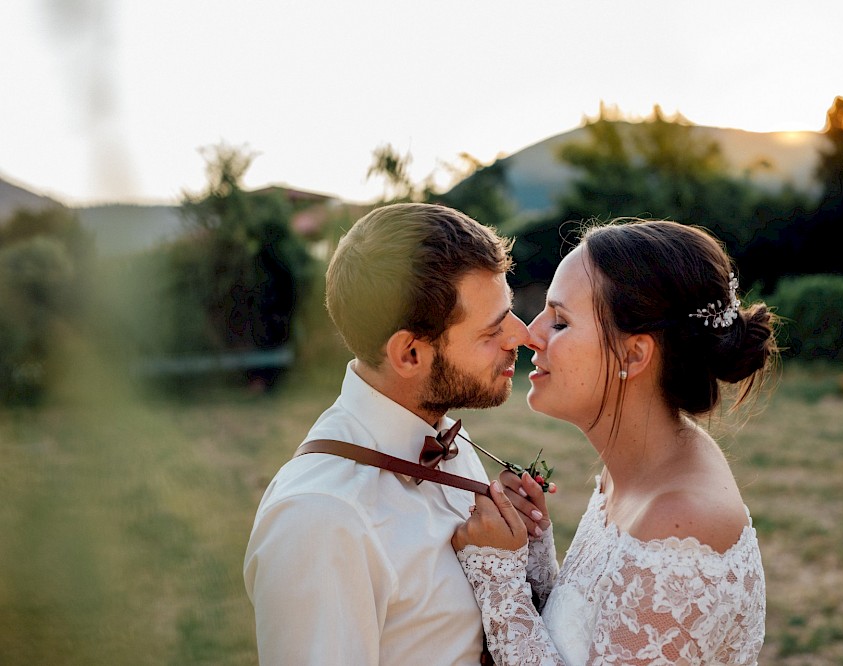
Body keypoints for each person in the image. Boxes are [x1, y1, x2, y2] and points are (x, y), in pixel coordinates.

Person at [452, 218, 778, 665]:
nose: (530, 334)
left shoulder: (681, 525)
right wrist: (534, 553)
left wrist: (500, 582)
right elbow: (594, 633)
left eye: (561, 321)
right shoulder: (639, 465)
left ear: (634, 354)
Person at [243, 202, 545, 665]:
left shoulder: (446, 438)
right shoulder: (321, 520)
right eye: (491, 330)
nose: (520, 336)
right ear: (408, 354)